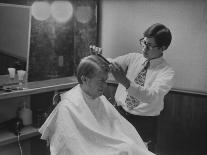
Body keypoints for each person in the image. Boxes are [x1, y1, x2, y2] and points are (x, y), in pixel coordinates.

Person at [39, 55, 155, 155]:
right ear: (84, 79)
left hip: (108, 147)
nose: (105, 86)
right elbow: (72, 146)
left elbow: (117, 131)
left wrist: (123, 146)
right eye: (101, 81)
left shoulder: (101, 100)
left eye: (106, 81)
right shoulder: (67, 106)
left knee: (130, 146)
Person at [91, 23, 175, 153]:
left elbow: (151, 96)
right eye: (144, 42)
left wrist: (125, 82)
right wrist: (98, 57)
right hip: (118, 114)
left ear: (163, 47)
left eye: (150, 45)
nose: (144, 49)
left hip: (143, 123)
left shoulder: (167, 72)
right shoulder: (133, 58)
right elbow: (111, 64)